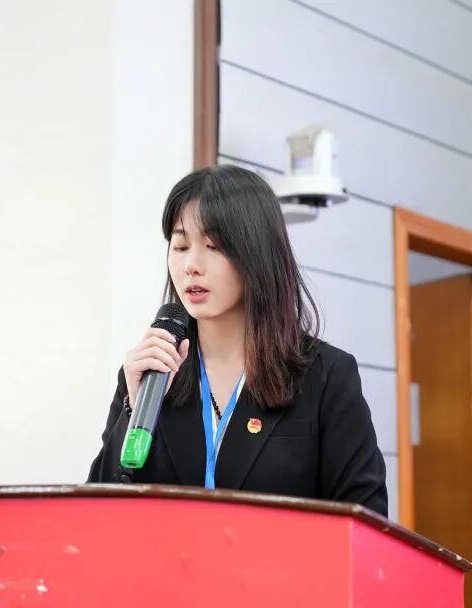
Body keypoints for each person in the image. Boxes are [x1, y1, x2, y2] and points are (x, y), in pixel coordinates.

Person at [87, 164, 387, 516]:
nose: (191, 265)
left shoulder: (327, 376)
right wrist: (134, 408)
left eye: (213, 246)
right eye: (180, 246)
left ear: (257, 254)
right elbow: (96, 514)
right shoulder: (151, 370)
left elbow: (365, 522)